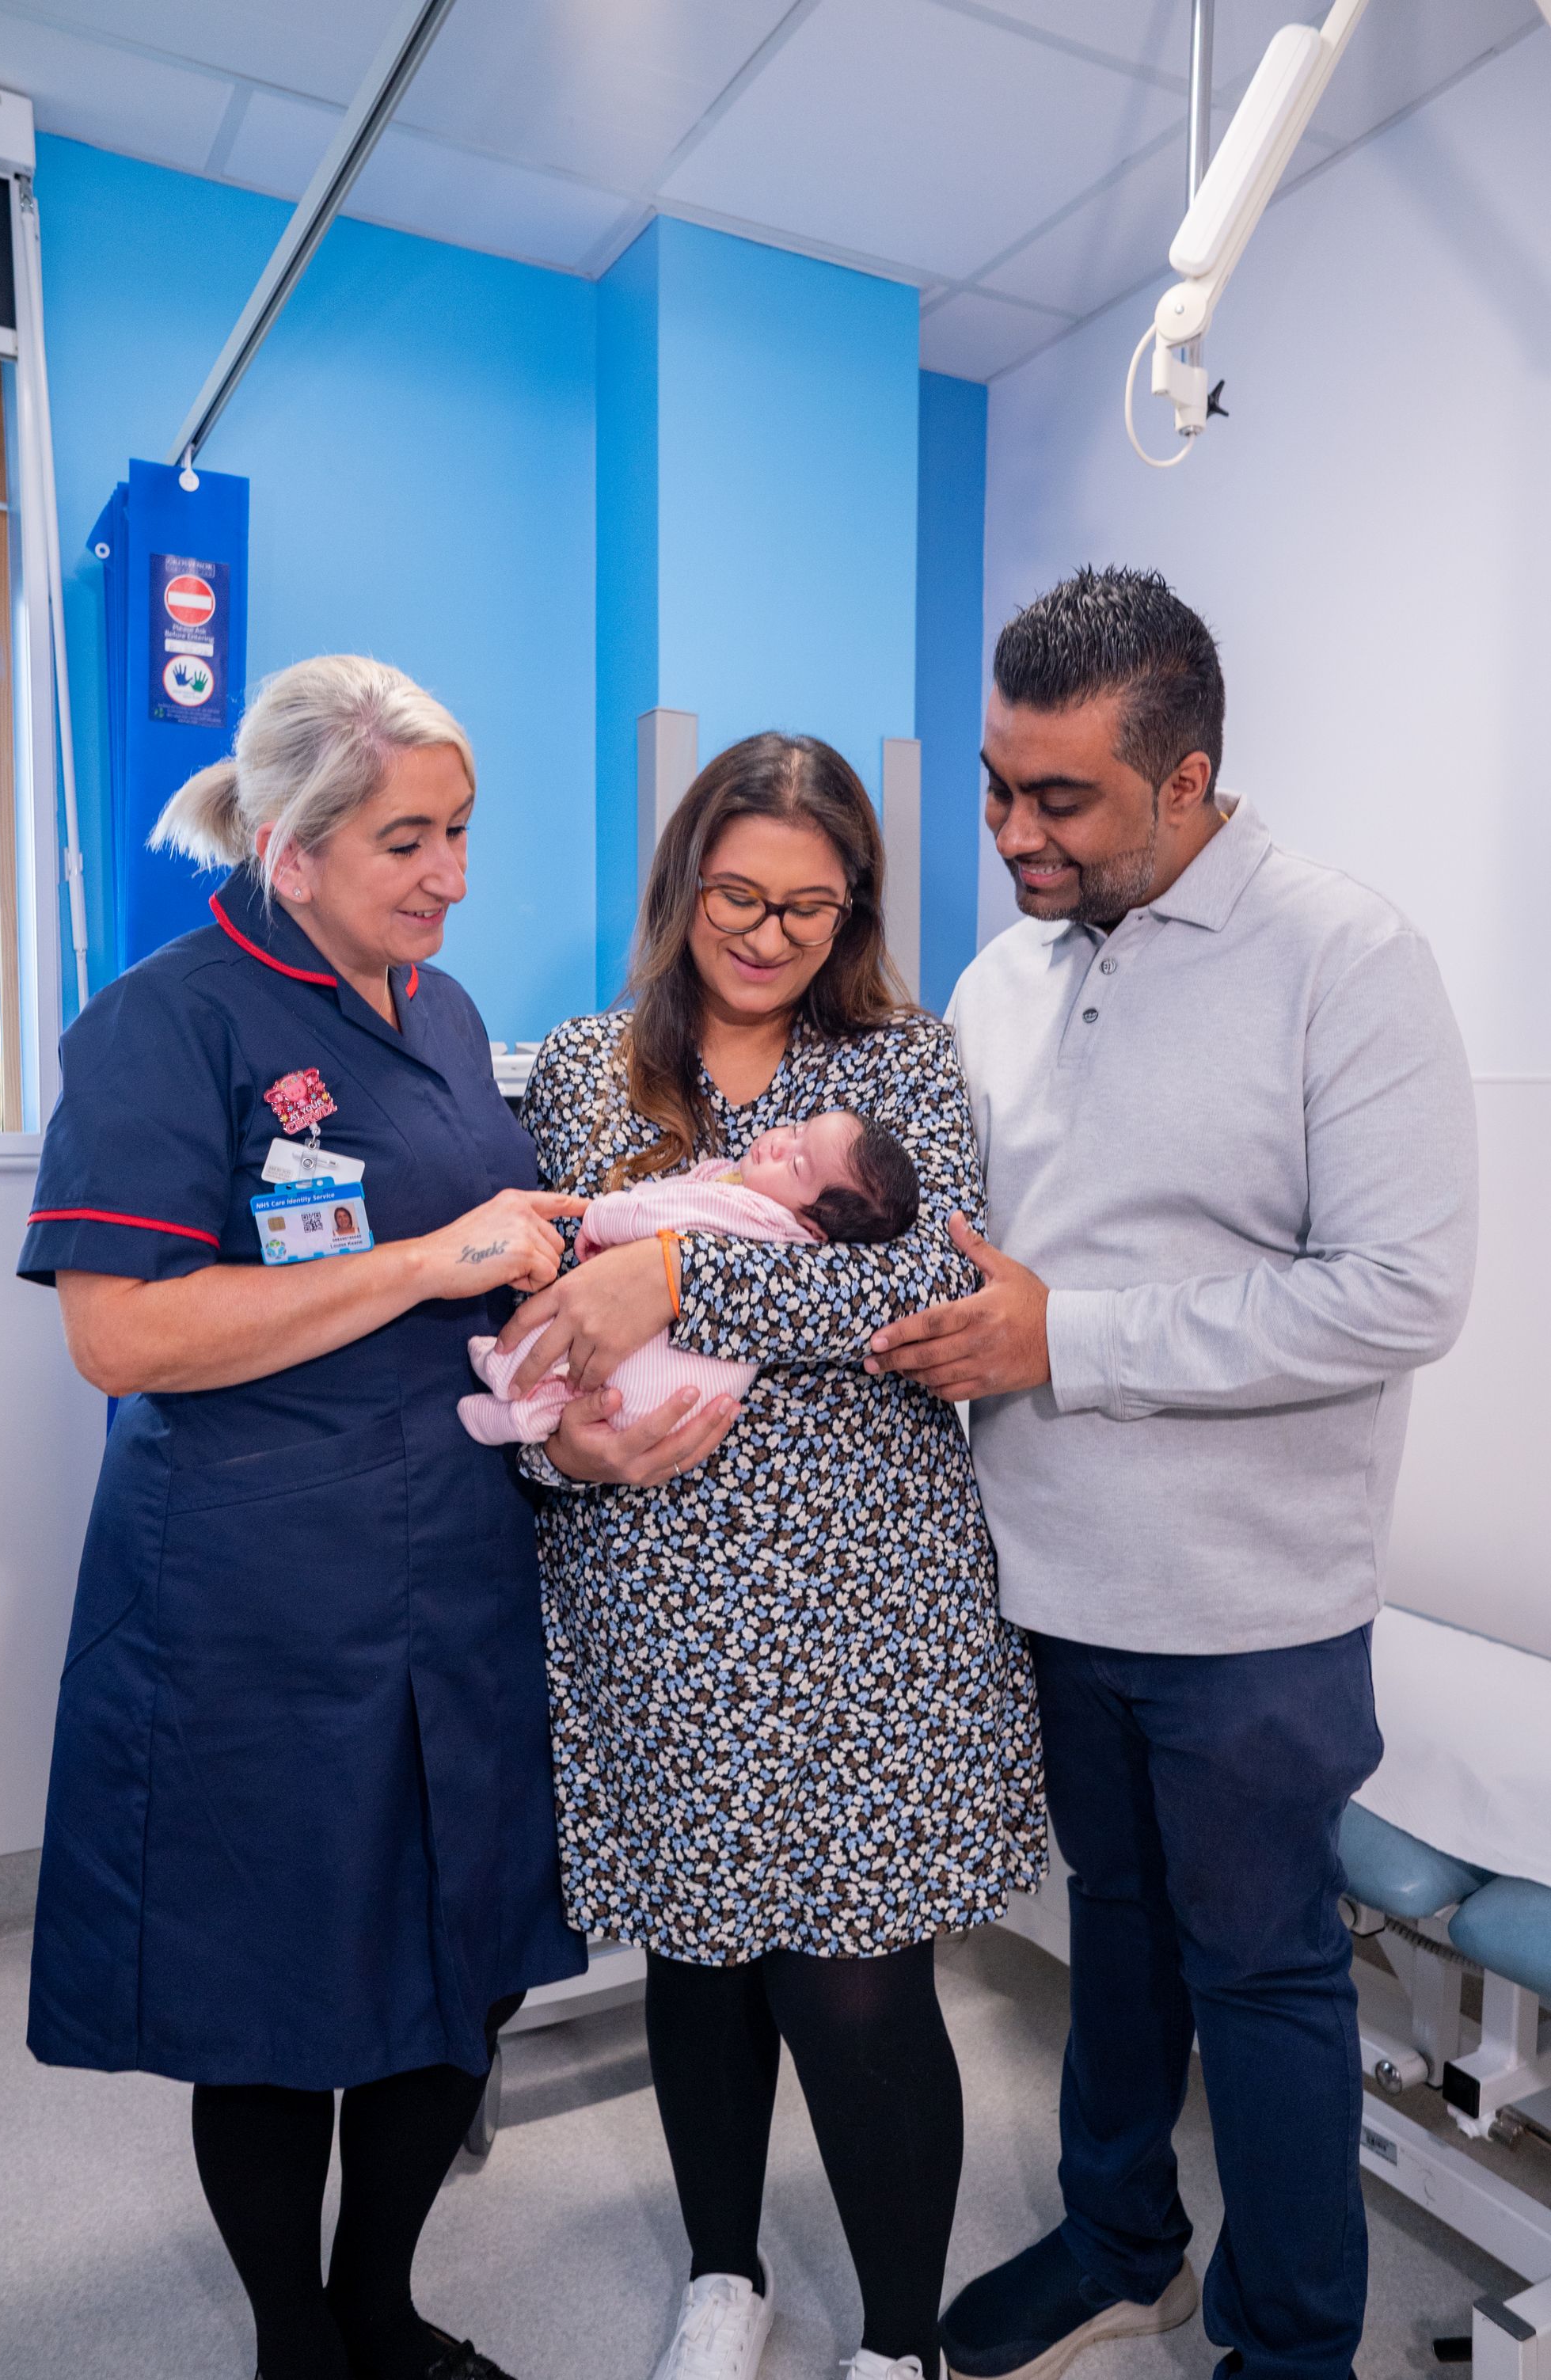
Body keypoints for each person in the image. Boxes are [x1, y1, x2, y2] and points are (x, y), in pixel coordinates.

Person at [14, 656, 664, 2380]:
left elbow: (468, 1259)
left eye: (460, 832)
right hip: (250, 1599)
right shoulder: (167, 1021)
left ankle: (377, 2301)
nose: (452, 875)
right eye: (406, 841)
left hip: (448, 1565)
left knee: (460, 1967)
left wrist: (562, 1344)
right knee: (278, 1997)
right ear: (291, 852)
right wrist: (425, 1263)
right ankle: (298, 2336)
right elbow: (120, 1330)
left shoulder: (439, 1015)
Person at [867, 568, 1478, 2380]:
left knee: (1264, 1972)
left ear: (1185, 778)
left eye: (1056, 798)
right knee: (1108, 1936)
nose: (1007, 832)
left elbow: (1396, 1292)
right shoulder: (1002, 976)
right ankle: (1121, 2240)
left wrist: (1073, 1341)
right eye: (994, 785)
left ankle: (1288, 2346)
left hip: (1245, 1610)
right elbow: (960, 1243)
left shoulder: (1338, 958)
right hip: (1048, 1581)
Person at [496, 732, 1045, 2380]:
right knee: (702, 1951)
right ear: (683, 883)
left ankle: (894, 2344)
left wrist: (669, 1278)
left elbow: (916, 1296)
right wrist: (551, 1439)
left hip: (865, 1603)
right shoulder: (586, 1074)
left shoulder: (904, 1065)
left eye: (813, 904)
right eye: (740, 891)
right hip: (649, 1587)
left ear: (852, 909)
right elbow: (522, 1316)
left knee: (861, 1978)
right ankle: (722, 2279)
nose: (769, 931)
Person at [457, 1108, 920, 1443]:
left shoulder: (752, 1211)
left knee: (577, 1362)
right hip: (693, 1400)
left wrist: (601, 1220)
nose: (780, 1143)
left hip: (665, 1379)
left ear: (814, 1228)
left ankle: (511, 1395)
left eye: (797, 1166)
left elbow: (659, 1211)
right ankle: (523, 1413)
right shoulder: (758, 1202)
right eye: (798, 1130)